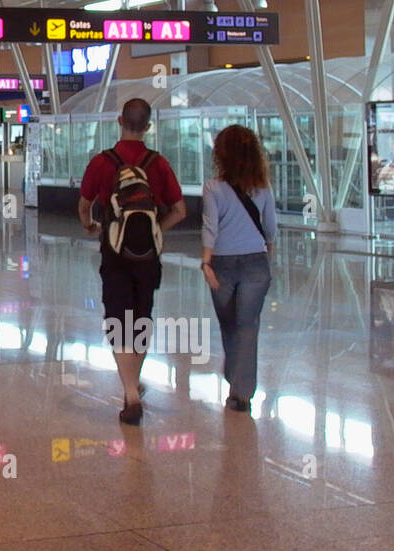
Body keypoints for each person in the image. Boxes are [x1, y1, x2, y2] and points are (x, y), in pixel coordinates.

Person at [77, 98, 186, 425]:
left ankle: (131, 393)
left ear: (119, 120)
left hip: (114, 252)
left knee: (118, 318)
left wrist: (91, 226)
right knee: (141, 317)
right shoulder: (158, 163)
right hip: (148, 256)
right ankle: (132, 384)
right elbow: (180, 210)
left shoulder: (102, 162)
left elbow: (84, 205)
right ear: (148, 126)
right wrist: (157, 230)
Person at [201, 125, 277, 415]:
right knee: (248, 325)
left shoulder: (212, 188)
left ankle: (236, 380)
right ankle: (242, 390)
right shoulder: (263, 188)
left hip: (222, 264)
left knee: (230, 325)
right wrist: (267, 256)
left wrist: (206, 262)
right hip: (256, 262)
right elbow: (271, 229)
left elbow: (210, 226)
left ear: (221, 154)